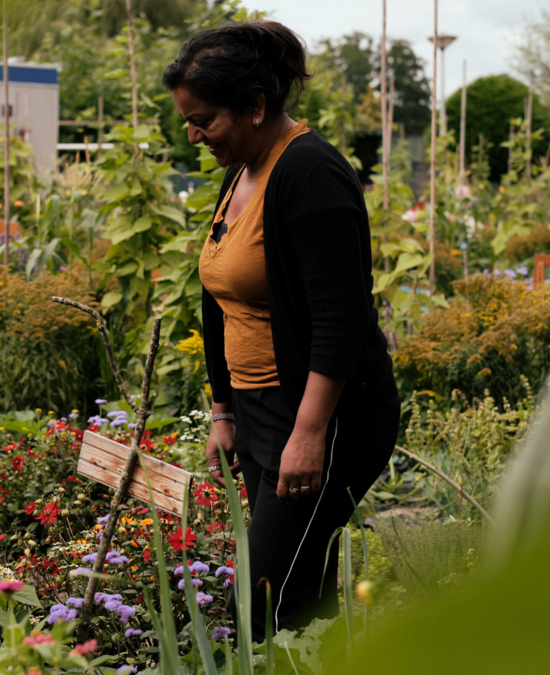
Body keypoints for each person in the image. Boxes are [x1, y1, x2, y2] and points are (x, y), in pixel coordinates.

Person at [162, 22, 400, 640]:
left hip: (323, 418)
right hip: (262, 410)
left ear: (257, 106)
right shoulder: (241, 171)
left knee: (263, 602)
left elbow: (340, 318)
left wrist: (311, 432)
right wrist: (223, 411)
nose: (193, 135)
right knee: (301, 601)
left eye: (204, 119)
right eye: (188, 119)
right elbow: (221, 299)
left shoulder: (310, 174)